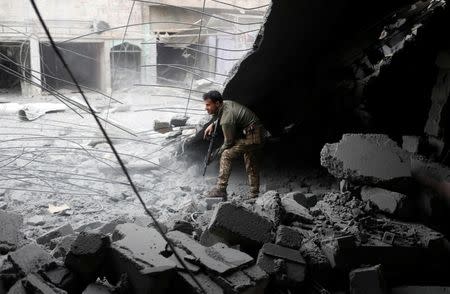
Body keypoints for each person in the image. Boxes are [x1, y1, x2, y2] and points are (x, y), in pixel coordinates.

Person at [203, 90, 264, 199]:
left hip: (252, 136)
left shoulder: (226, 119)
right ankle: (254, 194)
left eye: (208, 105)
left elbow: (228, 142)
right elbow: (219, 114)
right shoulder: (224, 103)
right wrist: (212, 124)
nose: (206, 108)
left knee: (226, 154)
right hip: (255, 131)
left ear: (217, 103)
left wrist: (213, 155)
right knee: (250, 160)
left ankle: (221, 189)